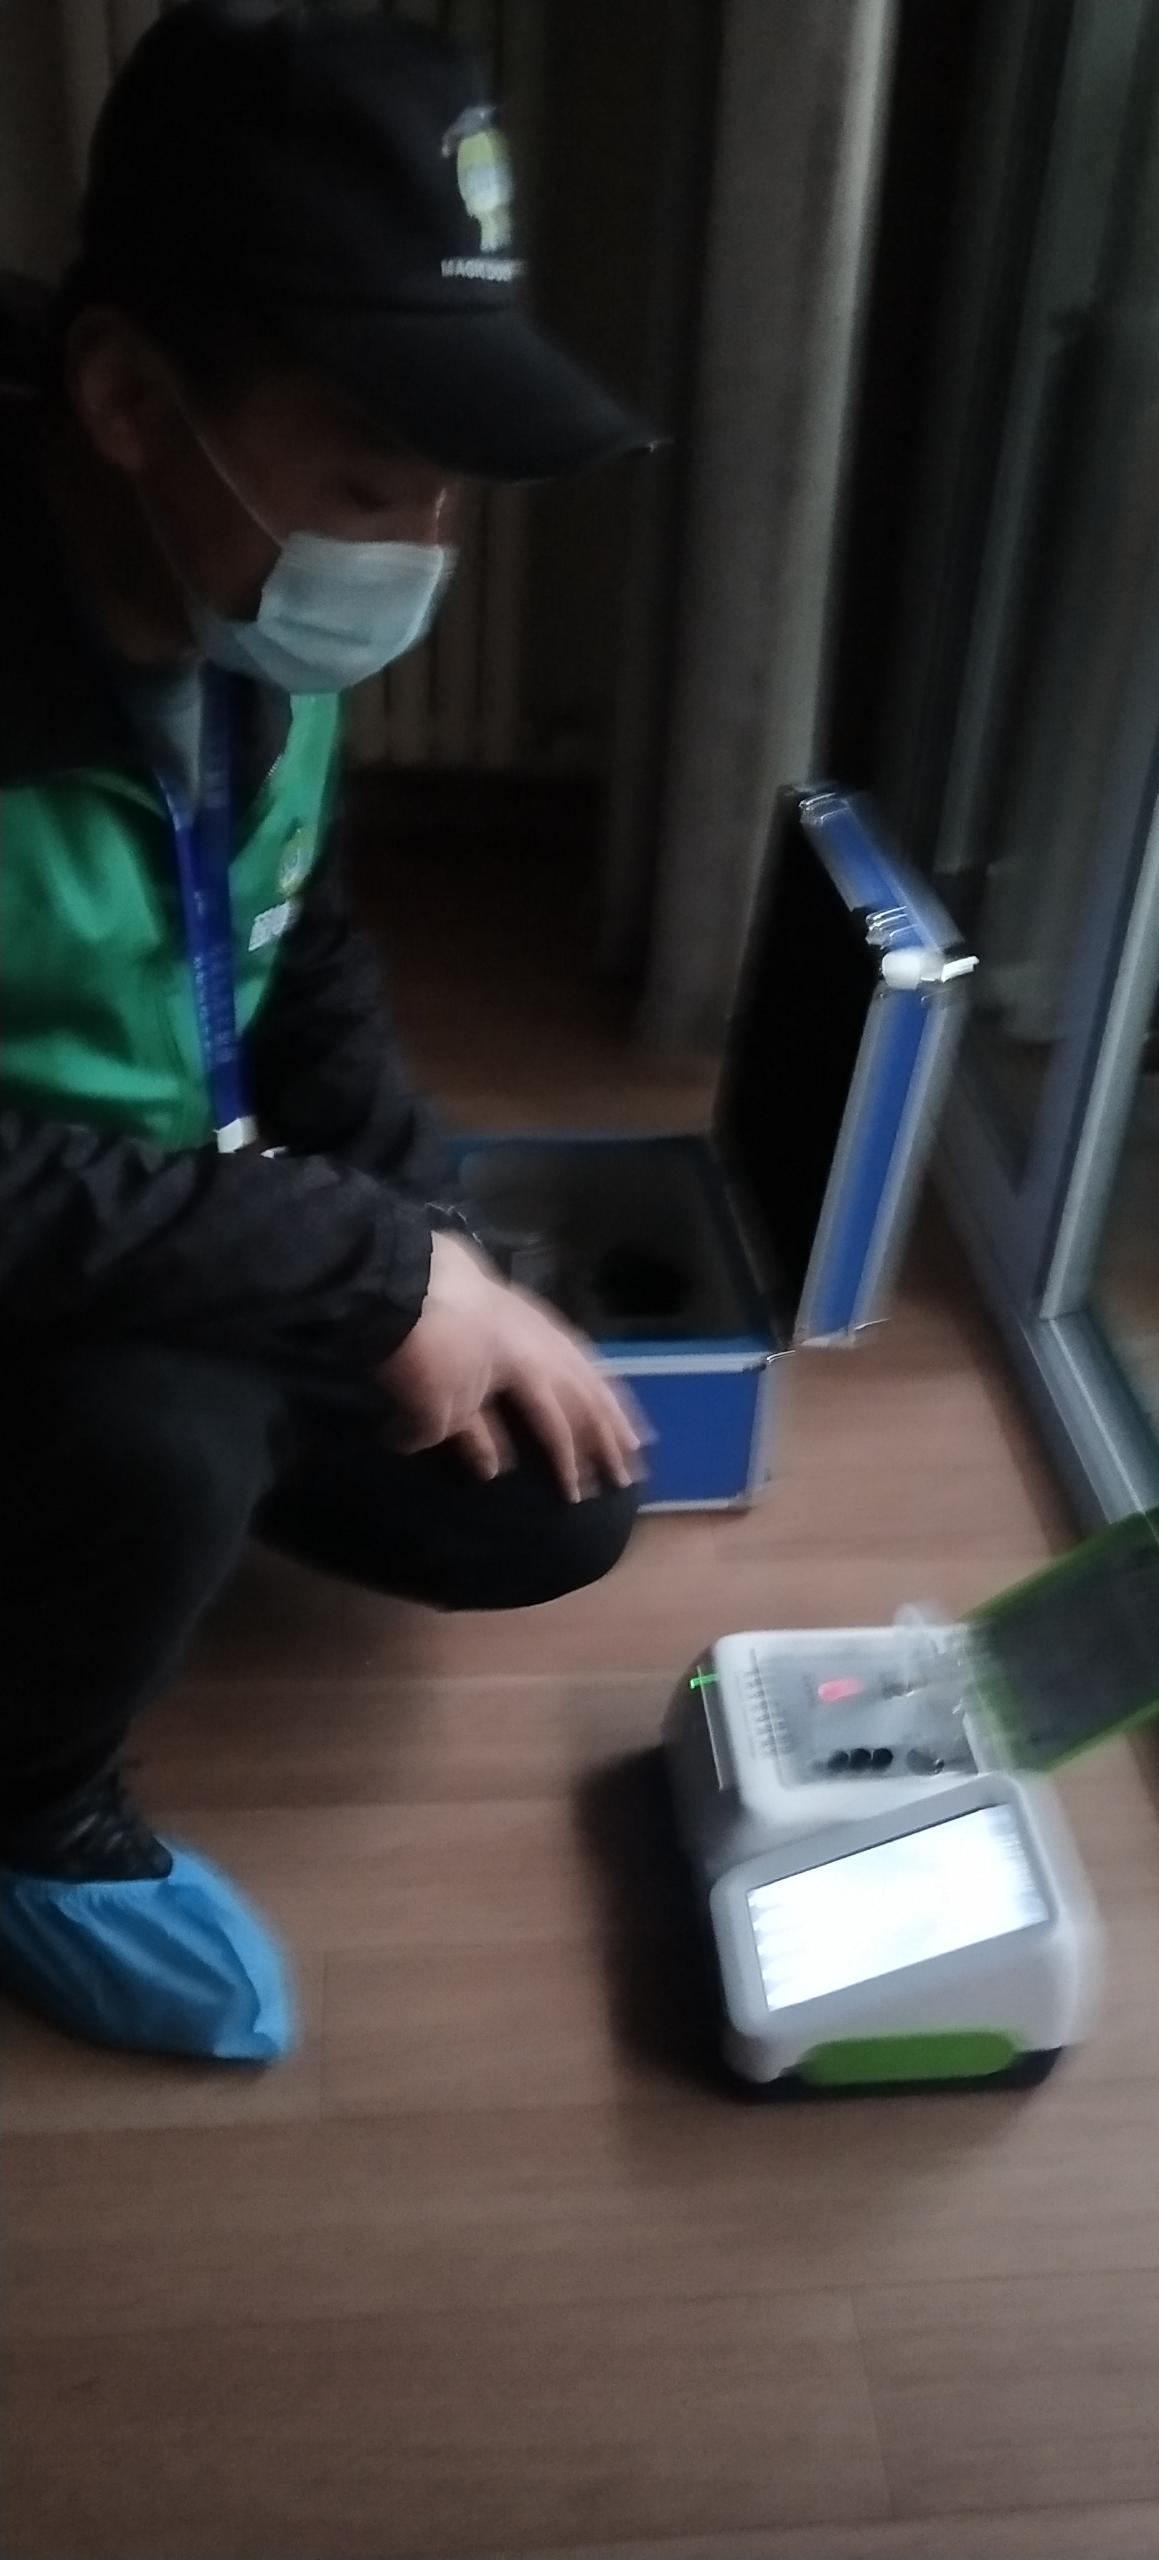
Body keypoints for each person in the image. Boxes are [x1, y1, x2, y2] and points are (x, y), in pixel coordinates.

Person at [0, 0, 652, 2066]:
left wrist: (427, 1234)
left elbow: (304, 954)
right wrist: (355, 1271)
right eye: (369, 481)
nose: (412, 551)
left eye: (442, 496)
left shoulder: (236, 598)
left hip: (160, 1206)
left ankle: (122, 1521)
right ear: (127, 398)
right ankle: (29, 1807)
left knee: (540, 1492)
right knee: (157, 1446)